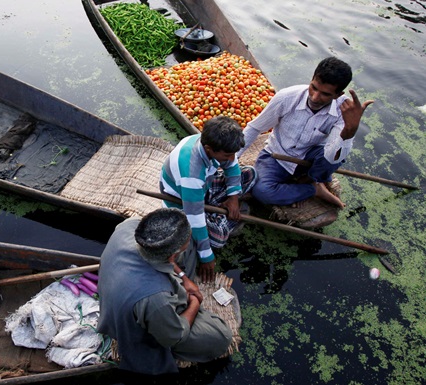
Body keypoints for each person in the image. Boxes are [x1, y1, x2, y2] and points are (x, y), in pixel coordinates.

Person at [96, 208, 233, 375]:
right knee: (221, 336)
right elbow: (174, 336)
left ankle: (181, 273)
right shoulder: (156, 299)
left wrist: (184, 278)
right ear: (171, 257)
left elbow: (165, 257)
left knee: (190, 250)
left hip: (135, 284)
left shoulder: (127, 226)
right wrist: (195, 302)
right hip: (138, 319)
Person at [237, 56, 374, 209]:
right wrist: (232, 159)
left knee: (334, 157)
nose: (315, 97)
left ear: (338, 95)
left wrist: (350, 131)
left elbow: (331, 156)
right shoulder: (287, 97)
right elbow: (255, 128)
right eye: (314, 87)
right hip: (277, 155)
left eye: (325, 94)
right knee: (262, 192)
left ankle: (312, 178)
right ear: (311, 80)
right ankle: (314, 189)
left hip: (311, 159)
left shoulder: (345, 111)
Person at [160, 116, 256, 283]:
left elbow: (232, 165)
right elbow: (195, 220)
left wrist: (233, 198)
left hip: (205, 187)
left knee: (250, 173)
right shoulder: (192, 174)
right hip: (184, 204)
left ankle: (223, 212)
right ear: (209, 149)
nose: (232, 158)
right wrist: (207, 258)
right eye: (227, 155)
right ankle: (220, 218)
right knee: (218, 240)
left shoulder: (213, 146)